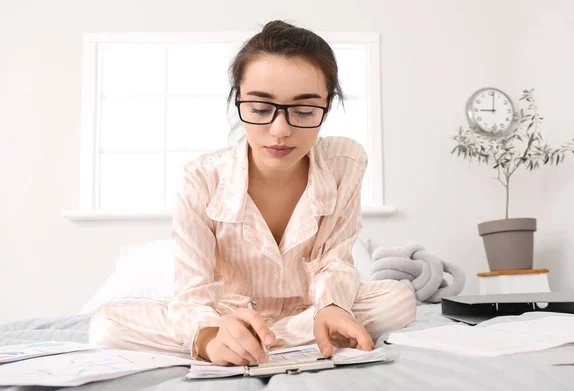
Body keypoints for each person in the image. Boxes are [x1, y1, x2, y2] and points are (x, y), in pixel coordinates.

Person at [88, 20, 416, 367]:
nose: (280, 130)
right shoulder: (201, 179)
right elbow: (193, 295)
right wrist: (208, 335)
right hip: (226, 318)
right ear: (238, 99)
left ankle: (267, 342)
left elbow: (334, 258)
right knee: (106, 324)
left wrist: (332, 306)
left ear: (327, 108)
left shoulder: (345, 162)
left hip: (312, 309)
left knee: (398, 300)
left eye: (304, 111)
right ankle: (241, 341)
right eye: (260, 109)